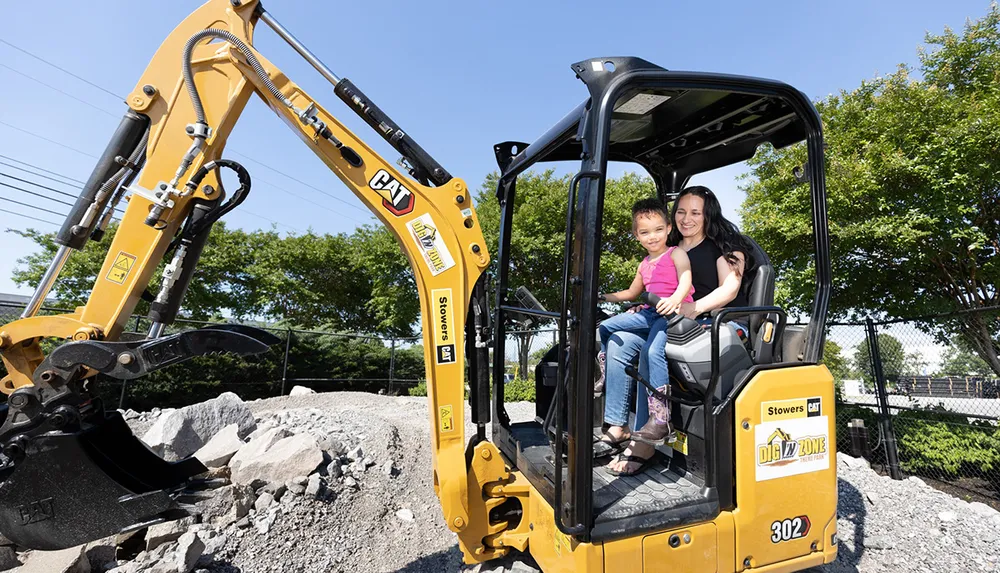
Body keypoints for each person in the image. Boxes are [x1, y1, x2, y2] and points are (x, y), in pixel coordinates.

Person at [604, 186, 754, 476]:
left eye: (695, 212)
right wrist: (642, 306)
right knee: (619, 342)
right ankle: (618, 425)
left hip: (714, 322)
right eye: (681, 211)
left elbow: (729, 288)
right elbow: (655, 288)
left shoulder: (724, 246)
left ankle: (644, 443)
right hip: (673, 320)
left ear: (708, 214)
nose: (687, 218)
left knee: (651, 349)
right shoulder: (667, 248)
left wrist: (692, 308)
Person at [592, 198, 693, 458]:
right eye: (645, 232)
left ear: (669, 228)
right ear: (637, 235)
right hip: (649, 313)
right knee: (606, 327)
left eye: (658, 229)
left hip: (673, 314)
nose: (653, 237)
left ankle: (661, 418)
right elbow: (631, 292)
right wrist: (600, 296)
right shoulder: (644, 264)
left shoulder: (676, 253)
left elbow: (685, 278)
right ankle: (604, 374)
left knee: (652, 351)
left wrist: (675, 299)